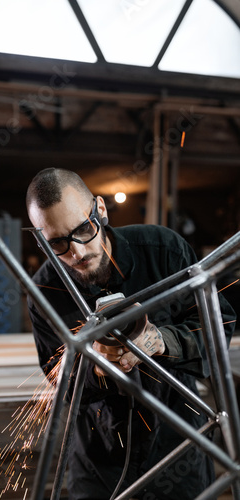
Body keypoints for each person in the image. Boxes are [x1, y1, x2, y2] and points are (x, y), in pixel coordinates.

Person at [26, 167, 236, 500]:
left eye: (83, 229)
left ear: (101, 210)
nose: (76, 252)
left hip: (177, 452)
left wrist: (160, 342)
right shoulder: (45, 291)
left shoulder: (163, 251)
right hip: (99, 463)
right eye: (57, 244)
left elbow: (219, 327)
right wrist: (97, 368)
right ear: (41, 239)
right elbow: (58, 380)